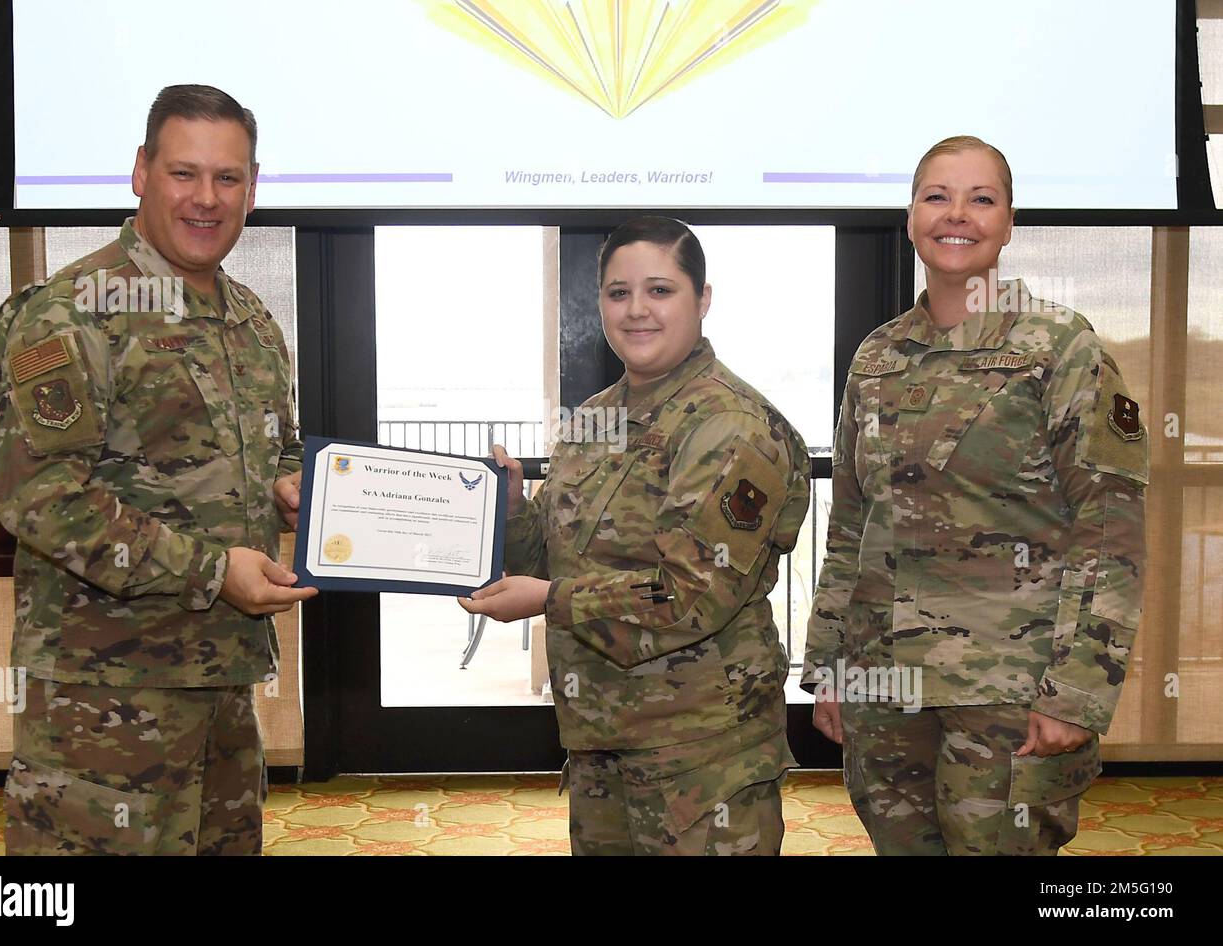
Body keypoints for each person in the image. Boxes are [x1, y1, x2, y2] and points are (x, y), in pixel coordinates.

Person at [0, 84, 317, 855]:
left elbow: (283, 448)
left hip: (221, 685)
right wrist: (211, 571)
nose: (207, 198)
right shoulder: (70, 312)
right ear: (141, 171)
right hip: (102, 699)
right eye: (184, 173)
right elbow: (41, 498)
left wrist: (298, 489)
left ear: (253, 185)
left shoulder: (251, 319)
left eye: (228, 178)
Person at [803, 136, 1148, 855]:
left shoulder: (1060, 348)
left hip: (1007, 694)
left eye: (980, 198)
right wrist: (830, 666)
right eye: (937, 196)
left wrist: (1080, 689)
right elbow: (851, 525)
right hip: (883, 686)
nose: (956, 214)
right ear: (910, 217)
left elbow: (1109, 530)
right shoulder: (877, 356)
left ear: (1009, 221)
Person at [460, 216, 810, 855]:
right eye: (618, 293)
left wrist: (546, 601)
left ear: (702, 299)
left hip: (702, 760)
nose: (636, 311)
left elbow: (692, 596)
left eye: (660, 290)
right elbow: (554, 555)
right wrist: (510, 509)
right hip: (602, 743)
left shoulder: (729, 426)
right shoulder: (593, 419)